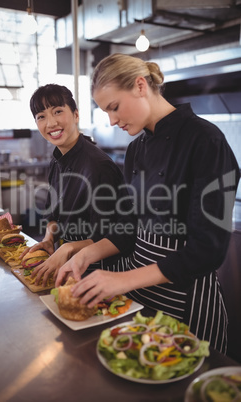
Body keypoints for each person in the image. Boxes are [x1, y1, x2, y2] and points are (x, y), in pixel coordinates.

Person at [55, 53, 240, 353]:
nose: (112, 120)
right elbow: (128, 228)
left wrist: (122, 280)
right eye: (105, 112)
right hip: (139, 300)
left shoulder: (206, 141)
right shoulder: (135, 149)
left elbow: (209, 250)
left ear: (141, 85)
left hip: (187, 302)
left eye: (114, 107)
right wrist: (85, 254)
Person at [24, 83, 134, 286]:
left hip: (101, 272)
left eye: (58, 111)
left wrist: (67, 248)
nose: (51, 123)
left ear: (75, 115)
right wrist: (49, 239)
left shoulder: (98, 166)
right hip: (70, 268)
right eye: (41, 116)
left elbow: (110, 237)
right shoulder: (57, 160)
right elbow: (54, 217)